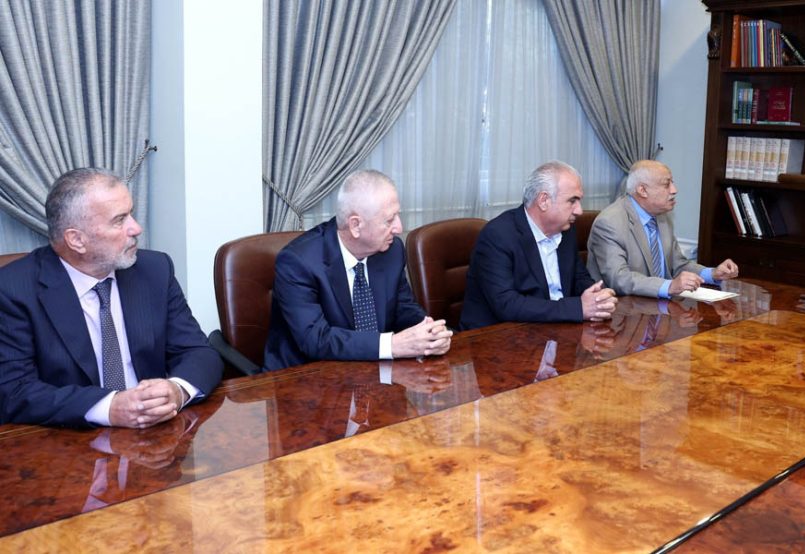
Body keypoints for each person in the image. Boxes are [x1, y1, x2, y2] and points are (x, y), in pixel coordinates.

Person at [0, 168, 223, 428]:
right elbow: (15, 391)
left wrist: (176, 390)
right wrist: (109, 407)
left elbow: (197, 351)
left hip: (156, 433)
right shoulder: (13, 290)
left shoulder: (155, 270)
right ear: (76, 240)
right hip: (67, 439)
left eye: (131, 213)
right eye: (119, 220)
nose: (136, 228)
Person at [263, 169, 452, 370]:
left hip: (374, 372)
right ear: (355, 225)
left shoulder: (391, 251)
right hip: (305, 375)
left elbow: (403, 307)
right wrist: (391, 345)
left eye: (398, 215)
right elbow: (315, 339)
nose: (399, 228)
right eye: (389, 220)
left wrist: (430, 334)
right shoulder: (298, 262)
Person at [460, 160, 617, 330]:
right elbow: (507, 304)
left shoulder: (566, 230)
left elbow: (579, 278)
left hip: (553, 329)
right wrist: (578, 308)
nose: (579, 210)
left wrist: (598, 298)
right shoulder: (498, 235)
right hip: (498, 335)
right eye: (572, 201)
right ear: (544, 200)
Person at [588, 160, 739, 297]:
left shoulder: (661, 216)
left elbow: (677, 264)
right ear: (642, 190)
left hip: (658, 306)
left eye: (672, 183)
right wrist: (669, 286)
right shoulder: (610, 223)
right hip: (622, 309)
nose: (674, 190)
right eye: (666, 185)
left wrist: (712, 274)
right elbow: (620, 279)